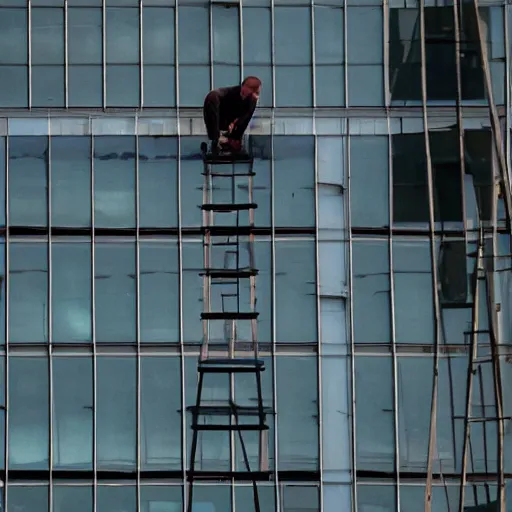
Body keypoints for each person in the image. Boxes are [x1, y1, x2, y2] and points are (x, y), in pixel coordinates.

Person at [203, 76, 261, 154]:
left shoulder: (252, 100)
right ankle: (216, 140)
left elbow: (245, 119)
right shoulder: (221, 95)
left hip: (231, 121)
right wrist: (215, 136)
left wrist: (236, 136)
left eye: (249, 93)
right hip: (219, 115)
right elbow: (213, 98)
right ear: (242, 87)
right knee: (212, 97)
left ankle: (229, 140)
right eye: (244, 91)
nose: (245, 94)